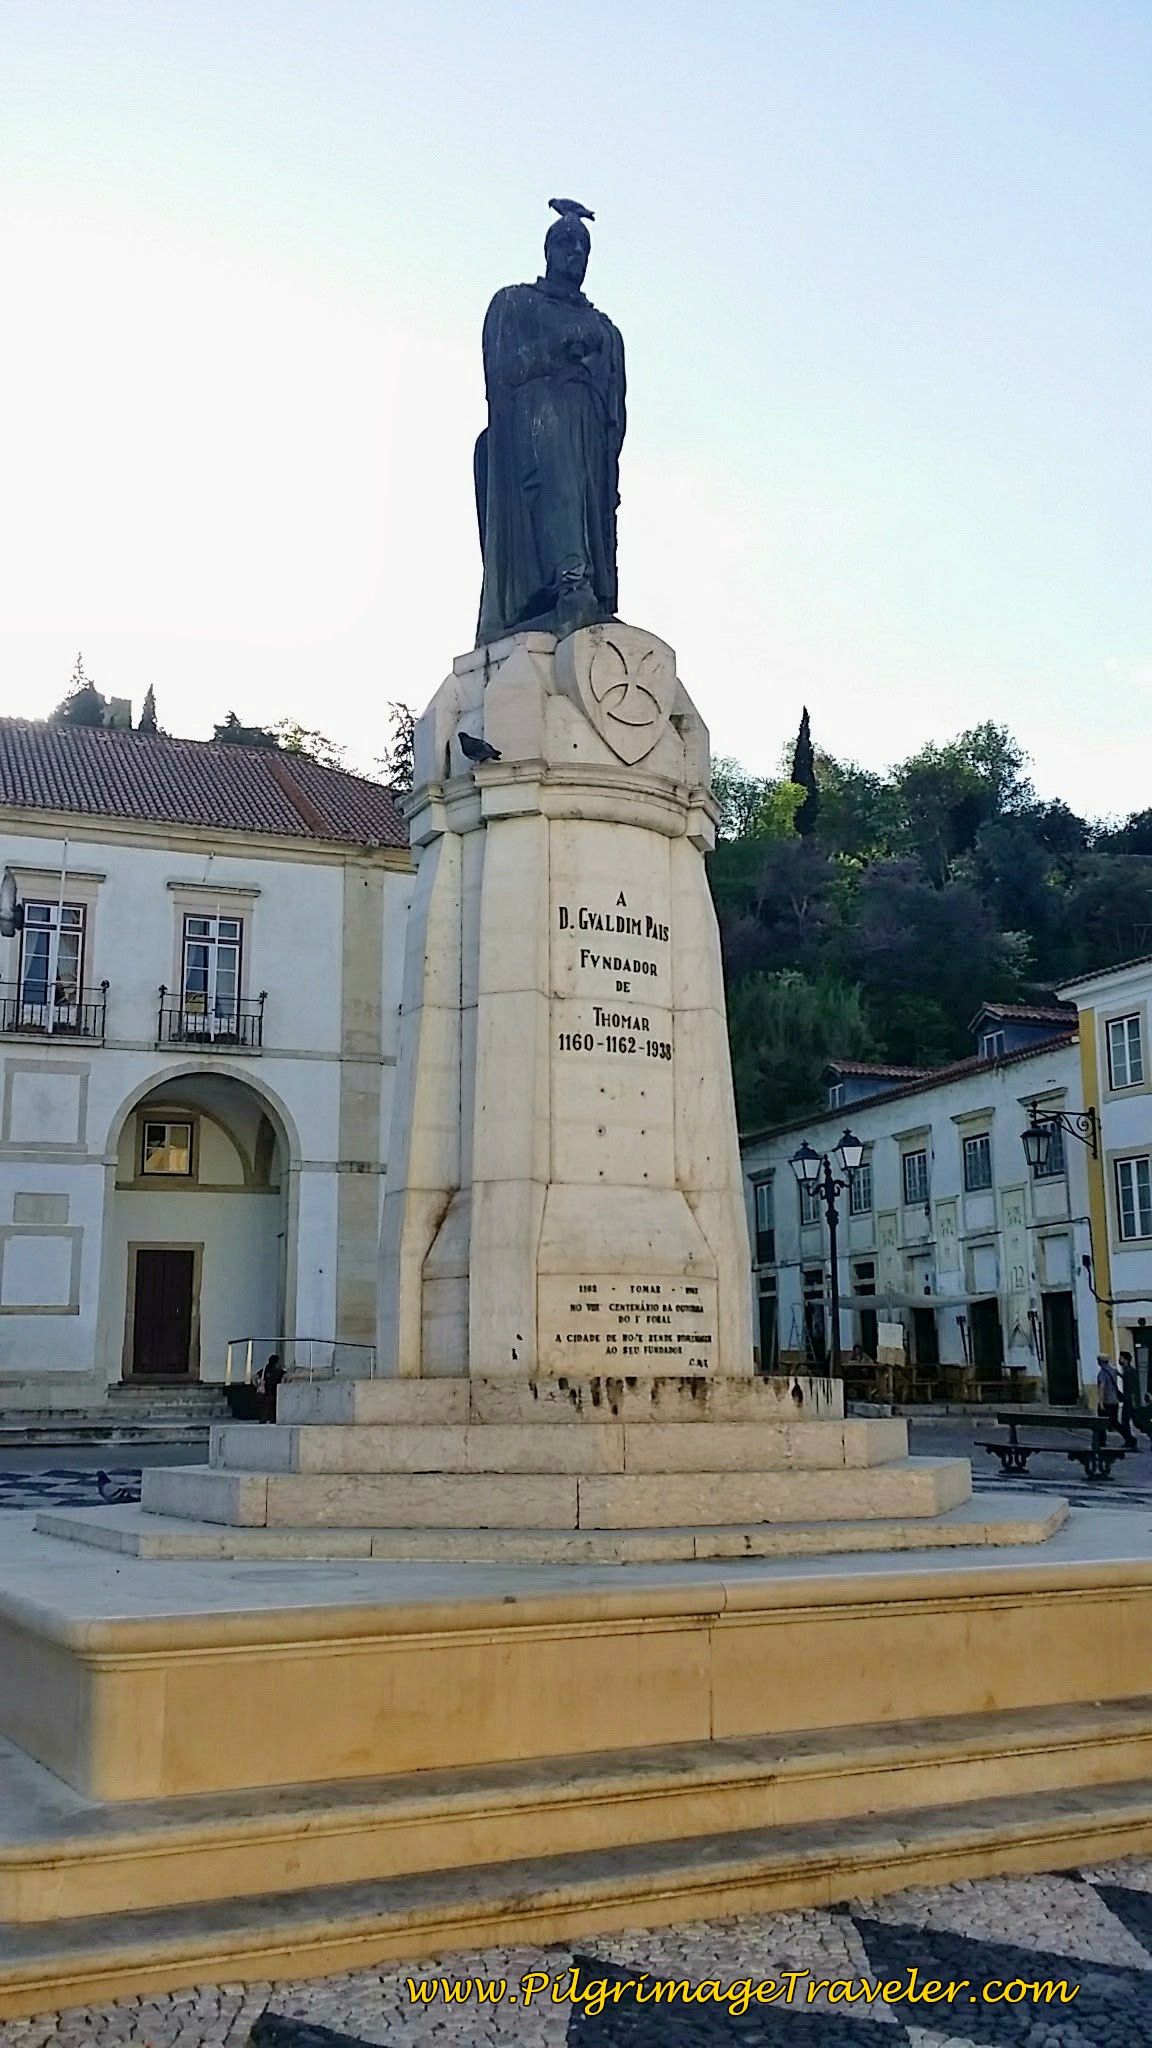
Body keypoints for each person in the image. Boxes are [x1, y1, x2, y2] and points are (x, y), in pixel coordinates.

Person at [474, 199, 626, 644]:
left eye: (582, 246)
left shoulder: (605, 328)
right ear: (548, 250)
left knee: (583, 481)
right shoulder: (515, 303)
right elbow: (500, 370)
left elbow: (617, 403)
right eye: (565, 242)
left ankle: (587, 589)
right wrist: (557, 347)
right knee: (551, 433)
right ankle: (568, 580)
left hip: (589, 433)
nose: (574, 252)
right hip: (534, 424)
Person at [1119, 1350, 1142, 1449]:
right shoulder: (1129, 1371)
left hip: (1129, 1400)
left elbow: (1132, 1387)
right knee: (1135, 1422)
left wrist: (1132, 1402)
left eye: (1121, 1358)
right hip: (1129, 1399)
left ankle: (1130, 1441)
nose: (1119, 1359)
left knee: (1131, 1421)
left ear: (1126, 1360)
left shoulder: (1129, 1371)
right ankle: (1130, 1441)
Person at [1097, 1354, 1123, 1436]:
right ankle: (1128, 1437)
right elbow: (1122, 1376)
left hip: (1106, 1401)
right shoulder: (1113, 1370)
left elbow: (1102, 1388)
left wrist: (1101, 1402)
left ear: (1100, 1362)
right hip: (1115, 1400)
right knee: (1115, 1422)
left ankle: (1101, 1441)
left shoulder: (1102, 1373)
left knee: (1101, 1423)